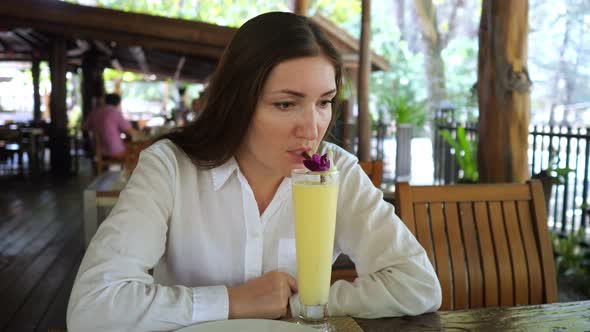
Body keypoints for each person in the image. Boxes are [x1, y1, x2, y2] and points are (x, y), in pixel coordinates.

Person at [67, 12, 441, 331]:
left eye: (324, 102)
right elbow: (94, 307)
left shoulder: (336, 170)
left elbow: (417, 284)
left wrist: (298, 304)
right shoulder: (170, 168)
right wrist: (233, 302)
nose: (312, 129)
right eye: (285, 104)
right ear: (236, 101)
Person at [83, 93, 140, 158]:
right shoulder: (115, 112)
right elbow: (130, 132)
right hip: (115, 151)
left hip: (98, 151)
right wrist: (142, 134)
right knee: (140, 150)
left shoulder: (94, 112)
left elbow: (85, 127)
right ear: (118, 103)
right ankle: (132, 168)